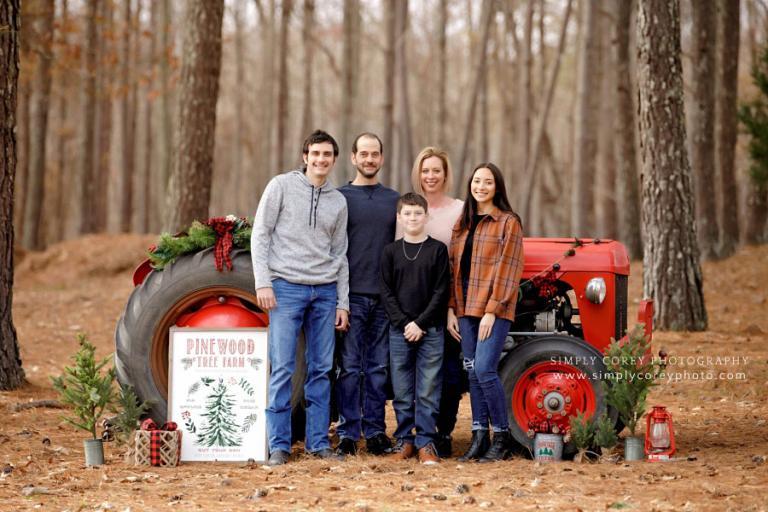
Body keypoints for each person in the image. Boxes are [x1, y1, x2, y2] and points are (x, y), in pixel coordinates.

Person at [251, 130, 350, 466]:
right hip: (285, 289)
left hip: (324, 291)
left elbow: (340, 255)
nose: (321, 160)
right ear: (305, 156)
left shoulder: (338, 201)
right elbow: (260, 234)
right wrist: (263, 282)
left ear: (334, 160)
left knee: (322, 370)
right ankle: (278, 445)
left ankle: (318, 443)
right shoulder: (280, 186)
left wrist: (343, 302)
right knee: (282, 368)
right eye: (315, 153)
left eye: (327, 155)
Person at [447, 163, 524, 463]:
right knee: (471, 371)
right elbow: (453, 271)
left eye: (487, 182)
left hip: (493, 307)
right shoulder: (462, 223)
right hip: (465, 307)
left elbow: (509, 268)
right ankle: (480, 436)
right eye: (476, 181)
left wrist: (493, 310)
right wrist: (451, 308)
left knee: (484, 370)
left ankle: (502, 437)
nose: (480, 186)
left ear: (497, 187)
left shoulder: (508, 222)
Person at [334, 133, 399, 456]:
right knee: (349, 368)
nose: (369, 159)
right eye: (364, 153)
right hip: (351, 296)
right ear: (353, 157)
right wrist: (338, 299)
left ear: (382, 158)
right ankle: (348, 433)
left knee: (377, 369)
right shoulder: (339, 198)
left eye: (375, 154)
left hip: (385, 298)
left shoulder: (394, 200)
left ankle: (374, 432)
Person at [399, 147, 465, 458]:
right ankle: (409, 436)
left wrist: (451, 307)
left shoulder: (459, 211)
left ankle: (442, 432)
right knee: (407, 376)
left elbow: (460, 264)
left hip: (447, 305)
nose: (430, 176)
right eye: (425, 171)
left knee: (449, 374)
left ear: (445, 174)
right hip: (410, 307)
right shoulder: (408, 210)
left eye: (436, 170)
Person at [380, 193, 450, 465]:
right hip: (399, 331)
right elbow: (386, 292)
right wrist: (405, 323)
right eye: (407, 214)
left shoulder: (437, 250)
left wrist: (420, 323)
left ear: (427, 216)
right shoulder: (391, 252)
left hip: (430, 330)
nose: (412, 218)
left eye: (417, 213)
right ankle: (404, 441)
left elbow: (441, 291)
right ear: (399, 217)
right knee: (402, 390)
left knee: (428, 389)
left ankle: (426, 443)